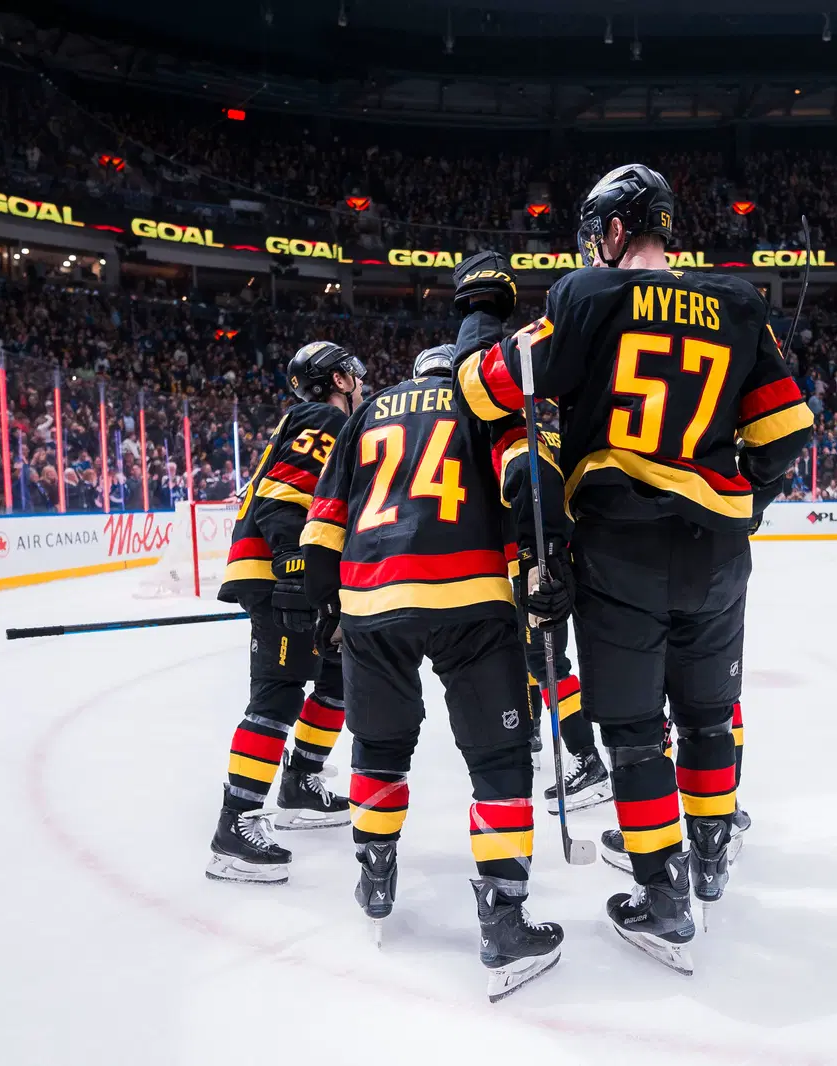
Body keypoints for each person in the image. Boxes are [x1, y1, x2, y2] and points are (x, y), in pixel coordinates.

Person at [453, 163, 813, 973]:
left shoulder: (586, 295)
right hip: (719, 553)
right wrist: (740, 503)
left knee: (633, 735)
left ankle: (664, 896)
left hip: (620, 547)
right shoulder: (740, 302)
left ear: (614, 232)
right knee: (710, 718)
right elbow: (788, 428)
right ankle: (713, 853)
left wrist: (481, 319)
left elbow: (487, 392)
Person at [300, 342, 565, 1002]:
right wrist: (543, 567)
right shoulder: (483, 402)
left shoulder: (368, 414)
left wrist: (329, 604)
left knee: (380, 746)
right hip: (471, 599)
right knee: (500, 757)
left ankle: (376, 870)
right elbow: (525, 494)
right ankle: (504, 917)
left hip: (373, 595)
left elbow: (324, 520)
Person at [204, 341, 364, 885]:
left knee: (336, 680)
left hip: (292, 578)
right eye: (353, 374)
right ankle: (236, 824)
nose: (360, 382)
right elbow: (281, 495)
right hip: (279, 580)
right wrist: (295, 571)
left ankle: (301, 782)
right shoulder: (323, 417)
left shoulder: (316, 418)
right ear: (339, 381)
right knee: (276, 696)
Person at [450, 295, 613, 813]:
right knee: (527, 661)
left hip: (531, 563)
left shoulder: (509, 431)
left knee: (545, 664)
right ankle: (540, 737)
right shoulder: (527, 427)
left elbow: (530, 489)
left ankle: (588, 759)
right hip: (539, 559)